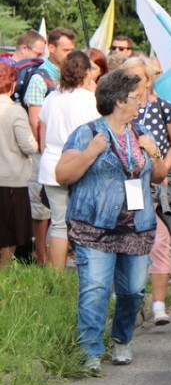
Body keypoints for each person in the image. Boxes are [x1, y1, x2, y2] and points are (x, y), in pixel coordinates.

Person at [55, 69, 167, 374]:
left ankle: (121, 338)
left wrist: (155, 155)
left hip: (137, 228)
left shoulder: (141, 131)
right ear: (118, 101)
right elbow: (62, 175)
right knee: (95, 289)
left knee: (133, 291)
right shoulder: (87, 133)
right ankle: (90, 350)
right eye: (136, 97)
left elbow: (159, 177)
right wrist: (90, 154)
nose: (141, 102)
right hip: (95, 228)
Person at [119, 57, 171, 324]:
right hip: (126, 180)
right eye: (129, 77)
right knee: (127, 239)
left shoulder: (163, 108)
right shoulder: (119, 107)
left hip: (158, 178)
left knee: (158, 239)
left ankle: (158, 303)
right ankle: (130, 299)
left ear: (149, 80)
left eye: (139, 77)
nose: (134, 82)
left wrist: (162, 168)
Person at [38, 50, 100, 270]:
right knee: (86, 223)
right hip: (81, 164)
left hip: (52, 162)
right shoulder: (89, 100)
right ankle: (88, 270)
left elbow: (43, 137)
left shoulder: (51, 98)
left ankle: (56, 274)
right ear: (85, 72)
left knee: (58, 224)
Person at [24, 27, 77, 265]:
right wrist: (45, 150)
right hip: (45, 152)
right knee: (42, 209)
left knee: (61, 214)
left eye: (72, 49)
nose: (69, 54)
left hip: (66, 154)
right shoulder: (40, 77)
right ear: (51, 48)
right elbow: (36, 120)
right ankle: (42, 258)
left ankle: (57, 256)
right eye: (65, 49)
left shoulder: (69, 77)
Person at [0, 62, 38, 268]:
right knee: (10, 233)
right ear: (12, 85)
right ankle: (4, 273)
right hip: (11, 180)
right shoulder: (15, 112)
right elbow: (29, 146)